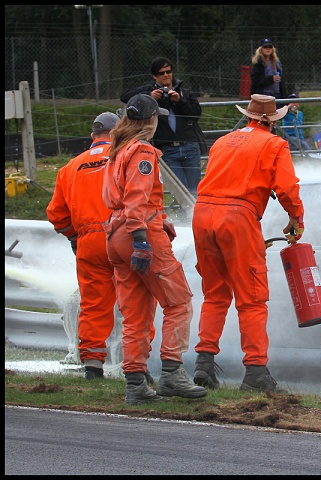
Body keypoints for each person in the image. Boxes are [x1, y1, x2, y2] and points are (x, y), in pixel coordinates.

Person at [192, 94, 304, 393]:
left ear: (250, 117)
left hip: (202, 213)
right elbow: (287, 188)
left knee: (215, 293)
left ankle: (204, 363)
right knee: (252, 297)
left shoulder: (223, 141)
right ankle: (255, 371)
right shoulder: (274, 144)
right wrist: (296, 218)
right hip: (238, 216)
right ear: (272, 122)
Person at [102, 93, 207, 405]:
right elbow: (137, 194)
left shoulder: (117, 150)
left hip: (115, 234)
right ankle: (172, 373)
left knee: (135, 313)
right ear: (150, 120)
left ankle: (135, 382)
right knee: (179, 302)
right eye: (157, 116)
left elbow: (117, 197)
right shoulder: (143, 151)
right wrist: (141, 237)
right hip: (140, 231)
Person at [46, 112, 122, 381]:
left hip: (88, 242)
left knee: (93, 304)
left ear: (93, 137)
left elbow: (56, 214)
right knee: (134, 301)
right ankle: (138, 365)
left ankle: (92, 365)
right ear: (116, 134)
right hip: (121, 235)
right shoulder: (124, 158)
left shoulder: (69, 168)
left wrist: (74, 238)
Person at [120, 56, 204, 196]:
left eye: (168, 71)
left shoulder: (185, 92)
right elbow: (125, 96)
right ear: (154, 76)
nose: (166, 75)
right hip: (167, 149)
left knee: (196, 189)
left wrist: (179, 100)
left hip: (189, 146)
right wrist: (149, 95)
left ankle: (194, 217)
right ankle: (186, 216)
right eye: (161, 73)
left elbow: (196, 115)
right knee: (181, 192)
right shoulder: (149, 91)